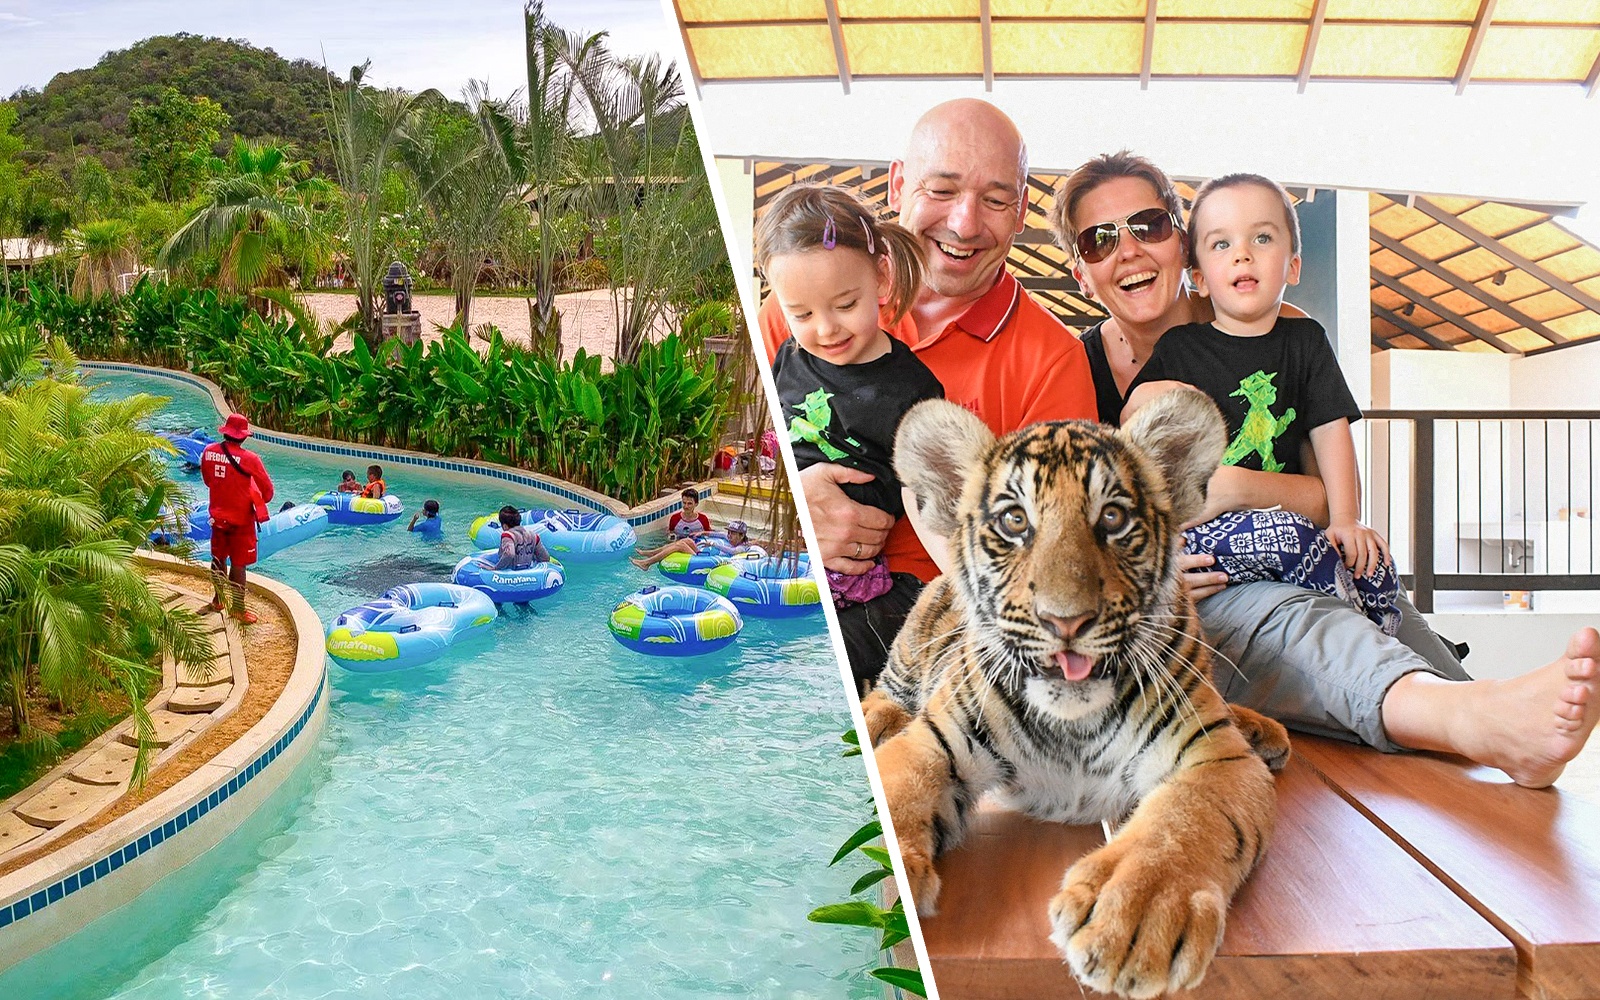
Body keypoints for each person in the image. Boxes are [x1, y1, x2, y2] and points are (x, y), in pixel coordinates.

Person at [1051, 150, 1599, 787]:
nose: (1129, 251)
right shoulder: (1077, 372)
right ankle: (1474, 721)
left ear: (1181, 241)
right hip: (1187, 603)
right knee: (1297, 619)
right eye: (1099, 240)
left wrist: (1231, 487)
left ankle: (1490, 717)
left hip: (1295, 550)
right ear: (1081, 272)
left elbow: (1320, 498)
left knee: (1381, 601)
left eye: (1147, 226)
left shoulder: (1285, 334)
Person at [758, 99, 1098, 689]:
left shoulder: (1052, 362)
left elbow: (1051, 555)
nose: (965, 224)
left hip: (926, 620)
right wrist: (796, 496)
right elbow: (741, 446)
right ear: (897, 185)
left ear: (1020, 212)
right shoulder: (801, 309)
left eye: (994, 200)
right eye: (941, 190)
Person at [1122, 173, 1401, 635]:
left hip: (1284, 519)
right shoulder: (1179, 348)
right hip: (1210, 534)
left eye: (1262, 237)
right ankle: (1349, 625)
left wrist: (1348, 520)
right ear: (1200, 279)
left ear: (1293, 266)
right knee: (1295, 541)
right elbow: (1137, 425)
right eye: (1220, 244)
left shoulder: (1305, 341)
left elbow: (1331, 429)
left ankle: (1388, 646)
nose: (1242, 253)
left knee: (1374, 563)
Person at [758, 182, 945, 619]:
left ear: (880, 276)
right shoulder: (788, 354)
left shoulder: (912, 389)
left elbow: (925, 498)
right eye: (801, 314)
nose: (825, 330)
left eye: (845, 304)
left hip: (852, 570)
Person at [199, 413, 274, 624]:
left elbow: (207, 480)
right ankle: (238, 610)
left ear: (226, 432)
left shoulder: (209, 452)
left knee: (218, 559)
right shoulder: (251, 459)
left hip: (217, 517)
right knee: (239, 564)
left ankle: (217, 600)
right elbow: (268, 493)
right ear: (244, 436)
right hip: (241, 521)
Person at [479, 505, 549, 570]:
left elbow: (509, 554)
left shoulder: (508, 535)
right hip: (528, 571)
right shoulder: (533, 535)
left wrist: (496, 568)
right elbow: (545, 557)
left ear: (505, 526)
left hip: (510, 573)